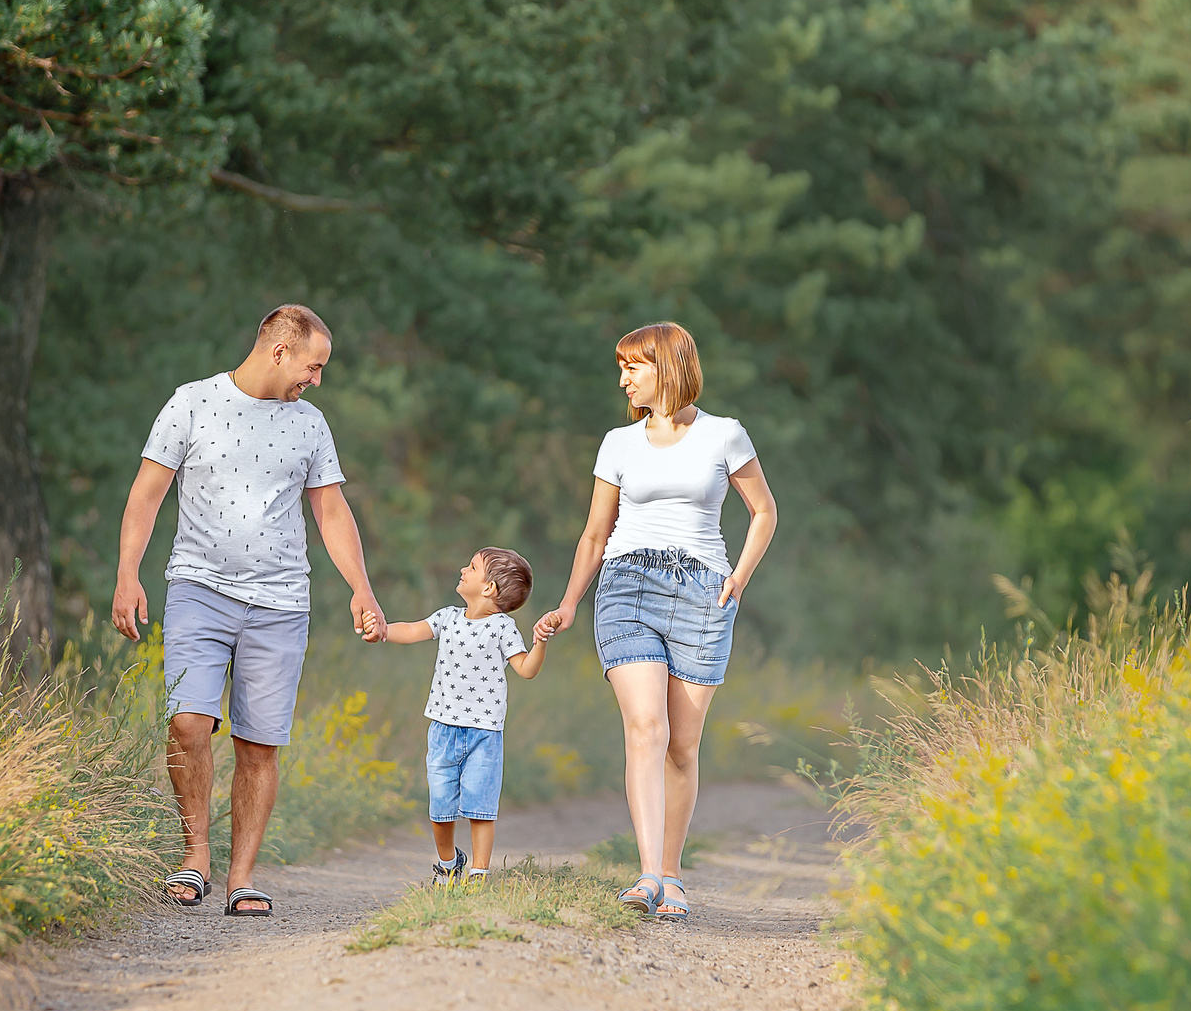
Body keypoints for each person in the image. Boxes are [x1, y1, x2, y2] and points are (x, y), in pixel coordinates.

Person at [111, 305, 386, 917]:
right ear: (280, 351)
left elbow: (331, 513)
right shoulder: (191, 404)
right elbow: (146, 495)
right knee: (188, 722)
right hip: (198, 590)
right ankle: (195, 857)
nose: (316, 381)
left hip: (280, 603)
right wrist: (127, 575)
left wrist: (361, 588)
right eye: (313, 367)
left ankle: (242, 876)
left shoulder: (309, 425)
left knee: (259, 744)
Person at [533, 322, 777, 923]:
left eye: (632, 366)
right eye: (621, 367)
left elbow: (764, 511)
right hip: (627, 584)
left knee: (682, 746)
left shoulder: (725, 435)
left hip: (704, 590)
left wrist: (738, 578)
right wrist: (568, 602)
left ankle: (671, 872)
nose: (623, 378)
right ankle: (647, 877)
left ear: (666, 367)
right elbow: (595, 534)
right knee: (646, 727)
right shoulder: (618, 442)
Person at [365, 547, 553, 887]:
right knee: (440, 806)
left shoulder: (502, 628)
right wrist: (383, 630)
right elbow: (411, 630)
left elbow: (525, 669)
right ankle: (448, 862)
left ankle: (479, 873)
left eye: (472, 567)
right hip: (442, 728)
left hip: (484, 733)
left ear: (489, 589)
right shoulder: (447, 617)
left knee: (481, 808)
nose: (462, 569)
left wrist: (540, 642)